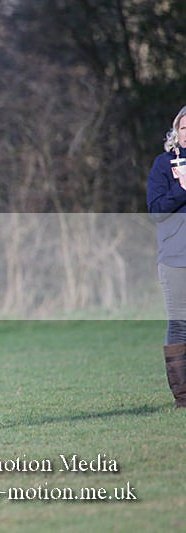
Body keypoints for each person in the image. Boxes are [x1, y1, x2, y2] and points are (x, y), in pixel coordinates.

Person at [147, 104, 186, 408]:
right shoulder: (163, 165)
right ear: (176, 132)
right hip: (176, 259)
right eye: (184, 128)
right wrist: (182, 190)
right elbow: (156, 212)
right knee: (180, 323)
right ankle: (183, 397)